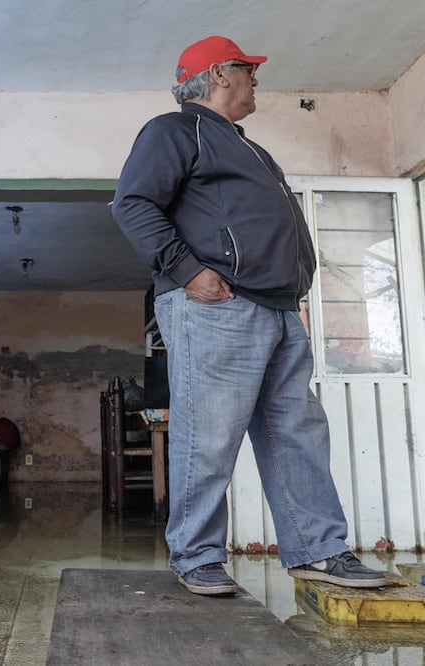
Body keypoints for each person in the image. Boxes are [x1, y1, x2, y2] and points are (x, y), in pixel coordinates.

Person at [111, 35, 386, 595]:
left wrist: (294, 290)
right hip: (217, 304)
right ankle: (196, 556)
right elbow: (133, 205)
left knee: (298, 432)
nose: (255, 79)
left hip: (277, 307)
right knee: (208, 435)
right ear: (218, 73)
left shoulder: (250, 149)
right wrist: (188, 271)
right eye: (247, 69)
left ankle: (318, 550)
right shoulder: (174, 130)